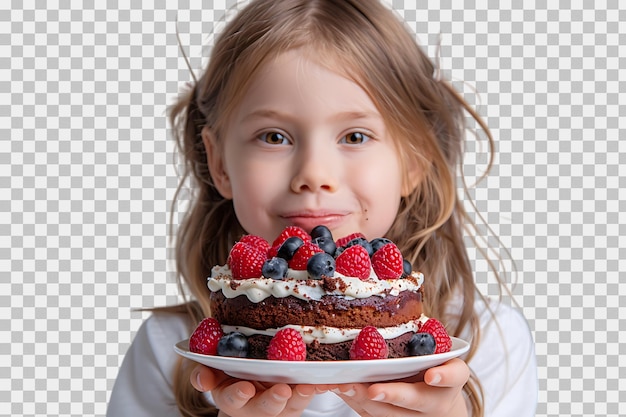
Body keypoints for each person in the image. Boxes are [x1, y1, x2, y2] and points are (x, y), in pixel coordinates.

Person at [107, 0, 538, 416]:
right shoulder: (170, 349)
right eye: (274, 136)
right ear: (220, 163)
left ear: (413, 161)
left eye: (354, 136)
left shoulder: (491, 344)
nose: (314, 174)